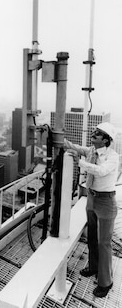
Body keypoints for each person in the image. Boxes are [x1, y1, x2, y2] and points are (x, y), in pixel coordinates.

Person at [64, 122, 119, 298]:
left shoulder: (113, 156)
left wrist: (80, 162)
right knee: (92, 237)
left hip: (106, 202)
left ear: (106, 140)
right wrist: (54, 136)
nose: (94, 134)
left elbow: (101, 171)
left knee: (104, 243)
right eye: (94, 131)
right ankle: (94, 266)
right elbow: (72, 146)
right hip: (92, 198)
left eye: (98, 133)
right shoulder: (90, 151)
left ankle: (105, 282)